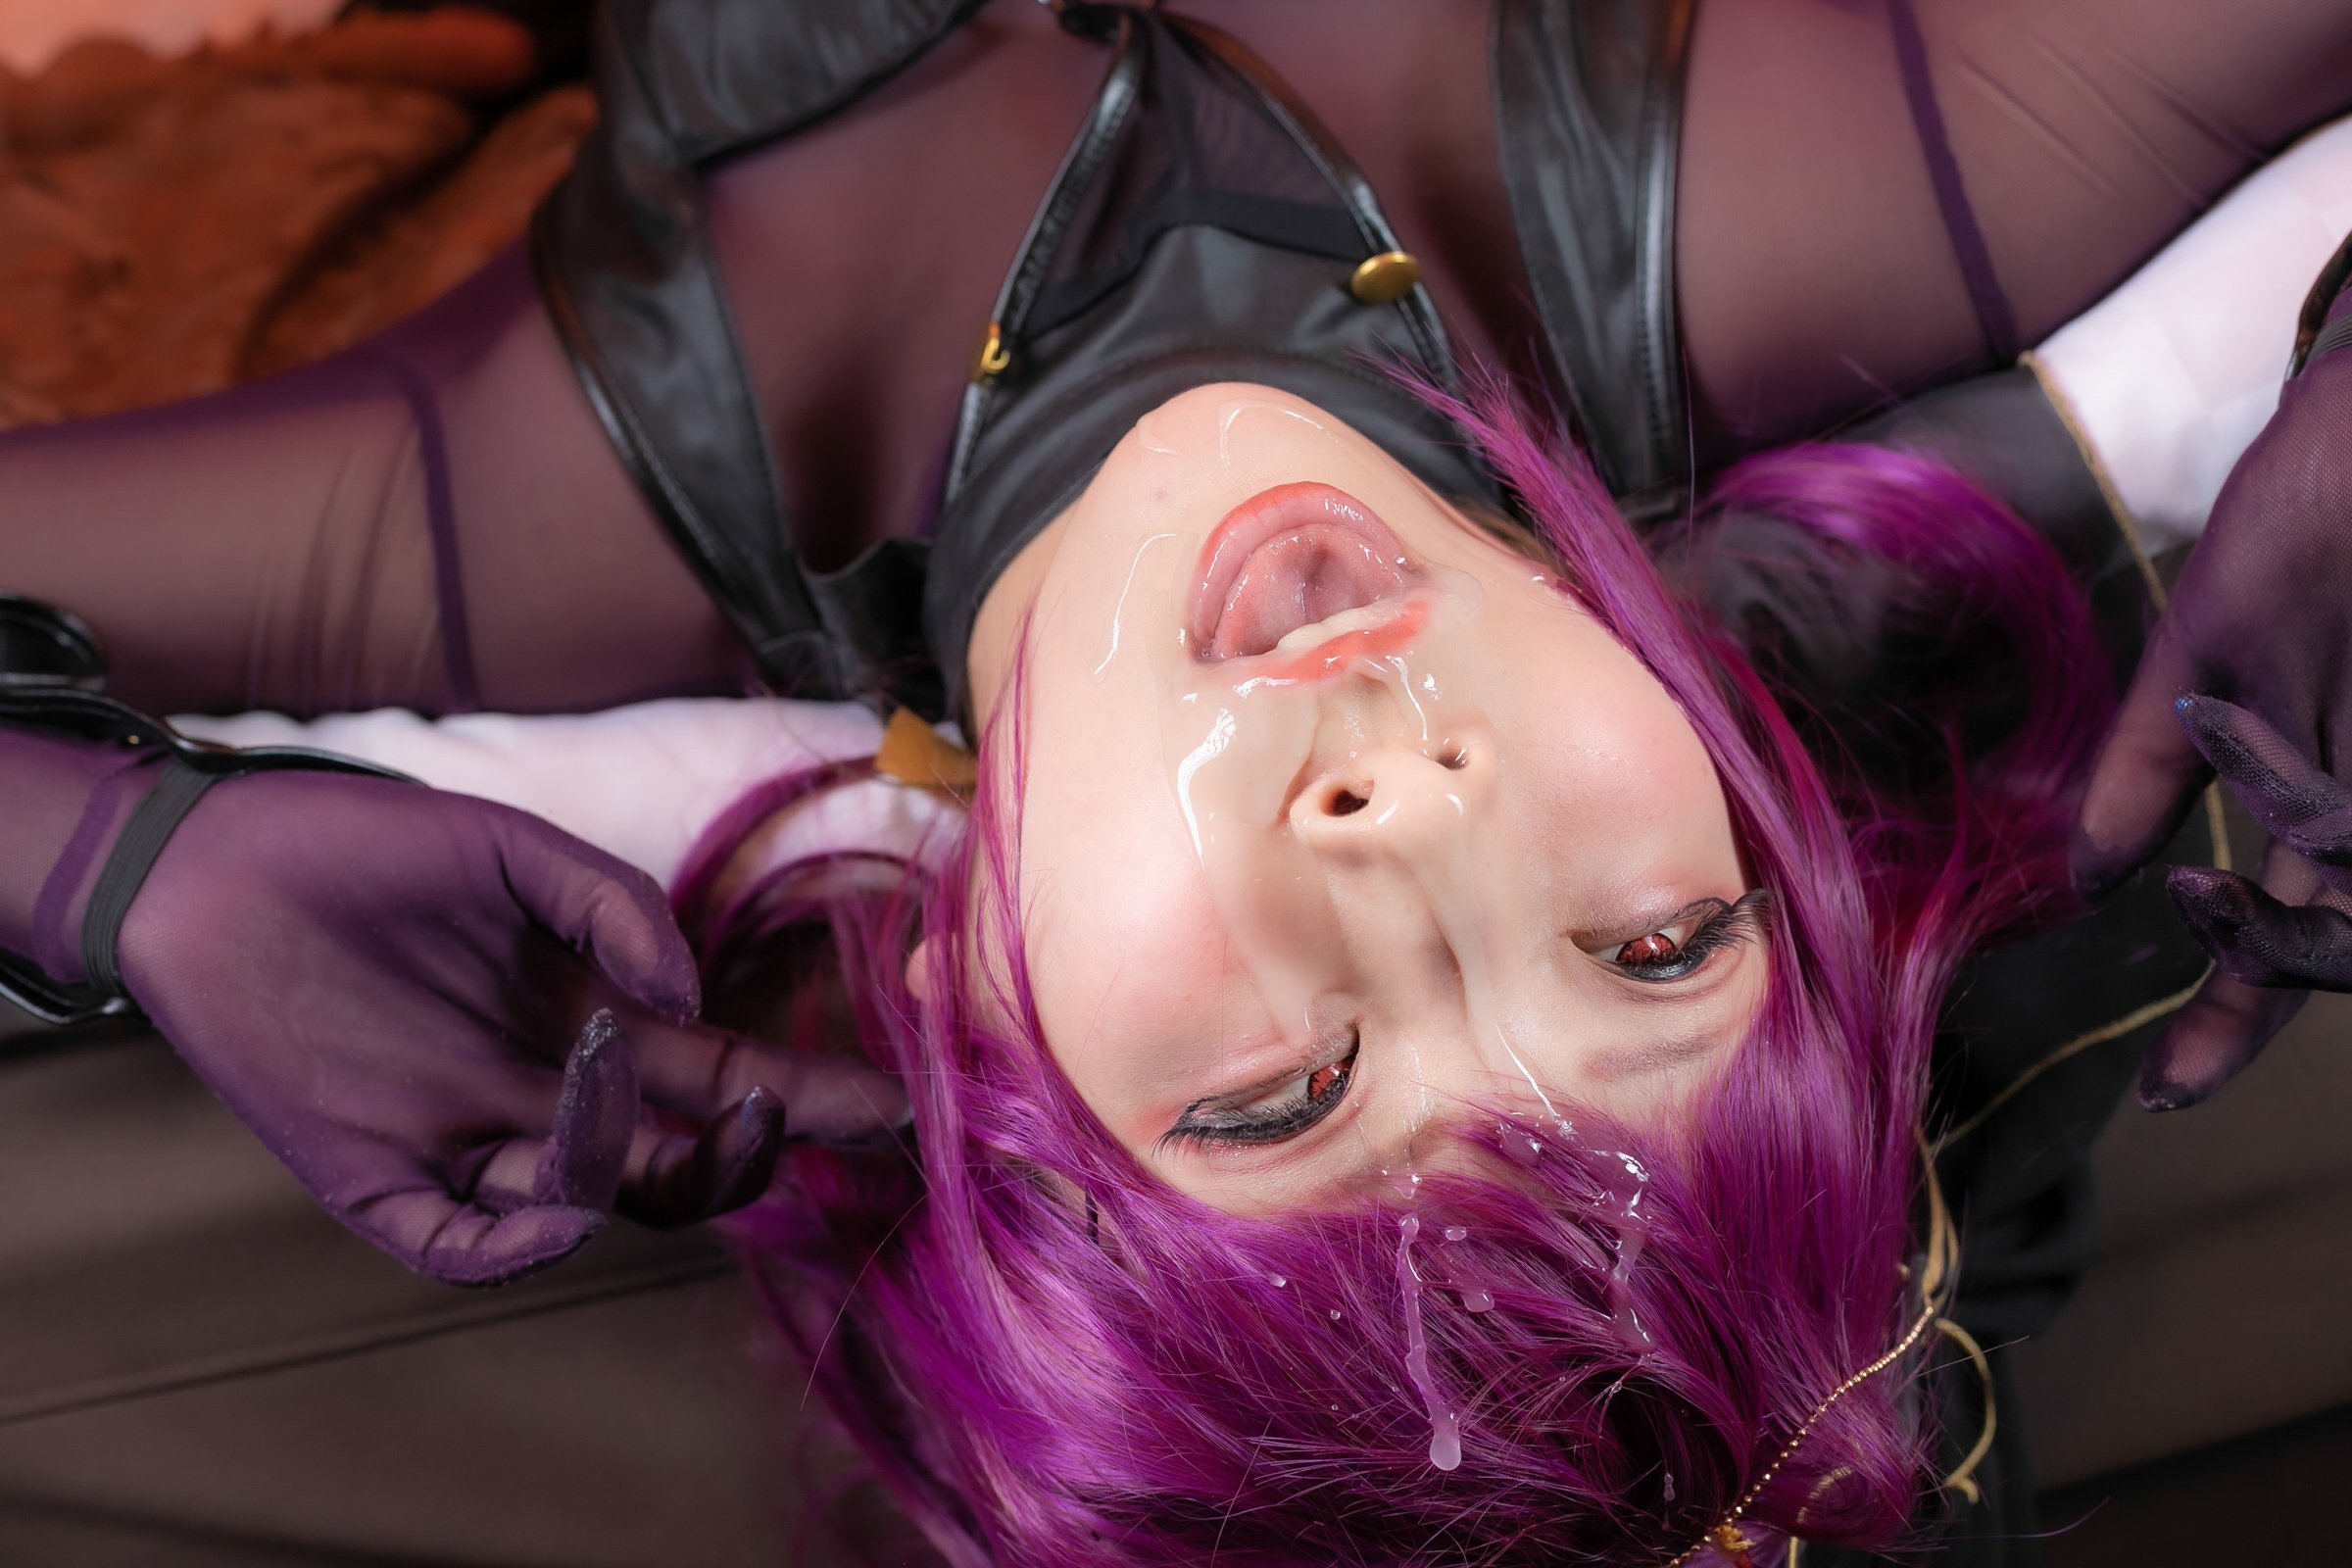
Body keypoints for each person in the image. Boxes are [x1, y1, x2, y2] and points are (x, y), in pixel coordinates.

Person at [5, 1, 2352, 1562]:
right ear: (1758, 816)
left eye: (1284, 1088)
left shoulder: (538, 517)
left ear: (984, 1027)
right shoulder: (1882, 174)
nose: (1409, 823)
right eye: (1654, 946)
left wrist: (114, 857)